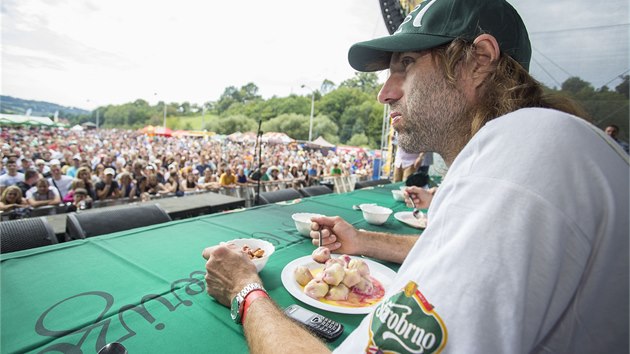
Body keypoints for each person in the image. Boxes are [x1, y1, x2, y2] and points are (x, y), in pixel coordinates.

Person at [201, 0, 628, 353]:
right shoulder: (540, 142)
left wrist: (245, 290)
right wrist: (365, 241)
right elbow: (463, 245)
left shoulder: (525, 151)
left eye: (406, 64)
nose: (385, 91)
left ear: (478, 61)